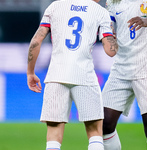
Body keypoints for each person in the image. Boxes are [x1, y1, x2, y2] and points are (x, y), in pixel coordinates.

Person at [26, 0, 118, 150]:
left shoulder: (55, 6)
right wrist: (113, 36)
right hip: (84, 76)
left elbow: (36, 40)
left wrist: (30, 72)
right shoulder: (100, 12)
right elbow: (110, 51)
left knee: (53, 137)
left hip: (56, 75)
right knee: (95, 132)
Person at [102, 0, 147, 149]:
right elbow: (108, 26)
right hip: (120, 70)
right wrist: (110, 37)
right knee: (104, 125)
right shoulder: (112, 1)